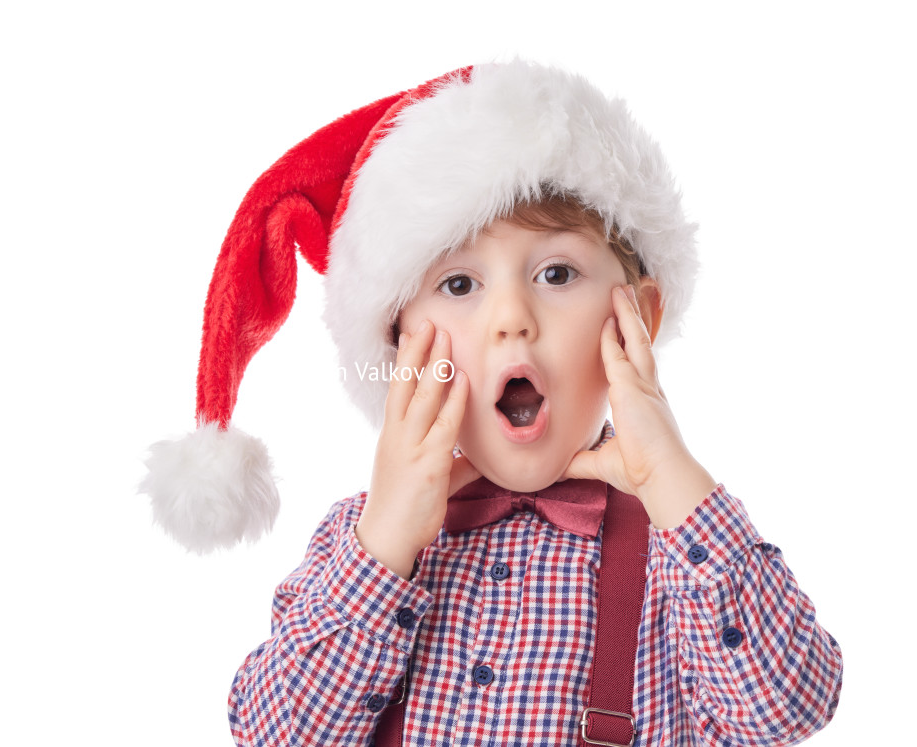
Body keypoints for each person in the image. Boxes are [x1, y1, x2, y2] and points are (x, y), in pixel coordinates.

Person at [139, 60, 843, 746]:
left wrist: (675, 482)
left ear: (638, 318)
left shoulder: (681, 555)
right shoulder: (356, 541)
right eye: (458, 285)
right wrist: (384, 545)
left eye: (556, 272)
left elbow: (792, 702)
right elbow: (274, 733)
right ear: (399, 340)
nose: (512, 316)